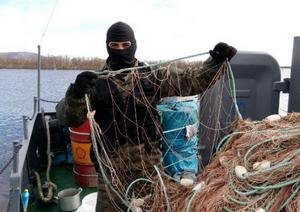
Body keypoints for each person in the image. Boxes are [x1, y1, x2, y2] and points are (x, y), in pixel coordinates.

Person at [56, 21, 237, 211]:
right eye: (114, 45)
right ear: (107, 46)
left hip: (148, 167)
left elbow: (191, 80)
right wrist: (76, 94)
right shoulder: (94, 82)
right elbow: (69, 118)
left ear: (134, 45)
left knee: (152, 207)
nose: (120, 50)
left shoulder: (152, 76)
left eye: (126, 45)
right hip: (110, 171)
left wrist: (215, 63)